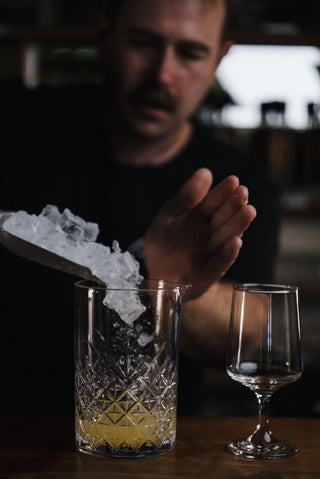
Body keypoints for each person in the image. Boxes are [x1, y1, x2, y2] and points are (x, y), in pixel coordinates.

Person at [0, 0, 279, 414]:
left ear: (219, 58)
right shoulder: (13, 125)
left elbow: (256, 338)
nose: (162, 74)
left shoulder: (237, 184)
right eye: (143, 43)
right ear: (102, 36)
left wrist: (178, 287)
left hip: (153, 447)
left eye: (190, 52)